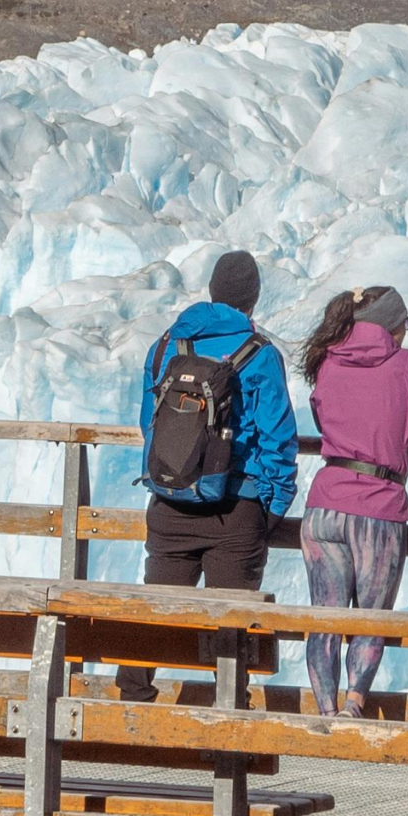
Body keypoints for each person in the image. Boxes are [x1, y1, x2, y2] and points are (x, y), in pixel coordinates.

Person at [118, 249, 298, 704]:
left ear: (213, 291)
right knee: (231, 628)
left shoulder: (165, 347)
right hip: (236, 510)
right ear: (254, 298)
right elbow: (278, 441)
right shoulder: (259, 355)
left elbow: (150, 425)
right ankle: (225, 727)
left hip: (171, 503)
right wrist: (271, 508)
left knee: (155, 611)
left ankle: (131, 704)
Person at [299, 284, 408, 716]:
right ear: (394, 327)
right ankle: (353, 706)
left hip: (324, 504)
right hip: (378, 508)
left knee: (326, 617)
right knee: (371, 618)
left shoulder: (327, 360)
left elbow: (323, 417)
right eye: (406, 325)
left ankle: (324, 713)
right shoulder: (406, 364)